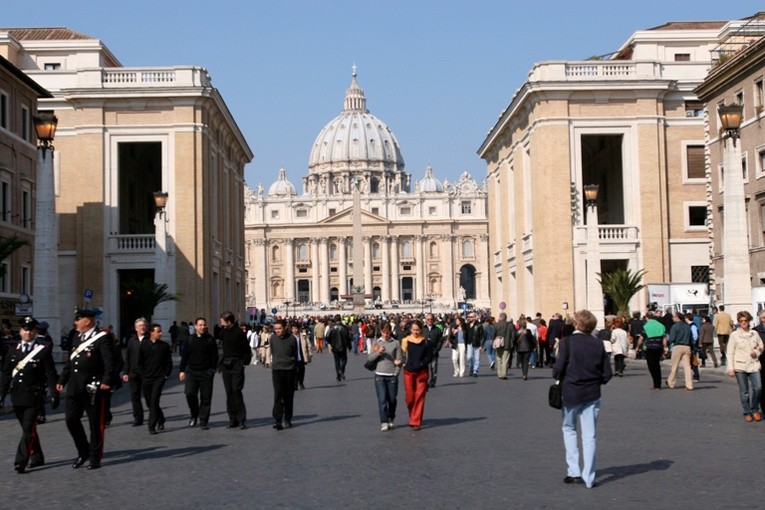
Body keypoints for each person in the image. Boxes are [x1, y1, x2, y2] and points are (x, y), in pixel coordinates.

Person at [552, 309, 612, 489]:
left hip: (571, 393)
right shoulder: (598, 344)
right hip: (592, 394)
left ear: (576, 324)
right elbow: (607, 373)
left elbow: (558, 369)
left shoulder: (566, 343)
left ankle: (573, 470)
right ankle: (589, 476)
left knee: (569, 429)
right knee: (590, 435)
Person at [56, 308, 116, 470]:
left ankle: (95, 457)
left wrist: (106, 380)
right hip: (75, 387)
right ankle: (83, 450)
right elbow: (71, 361)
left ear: (87, 321)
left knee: (95, 423)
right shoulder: (76, 337)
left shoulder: (102, 338)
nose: (75, 323)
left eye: (78, 319)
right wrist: (62, 379)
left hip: (93, 387)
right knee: (71, 420)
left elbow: (109, 361)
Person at [0, 317, 58, 473]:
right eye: (25, 330)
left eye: (31, 330)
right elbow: (6, 375)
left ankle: (21, 461)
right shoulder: (13, 350)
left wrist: (54, 393)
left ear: (35, 332)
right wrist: (1, 395)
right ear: (20, 332)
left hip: (34, 397)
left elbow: (51, 373)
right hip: (17, 396)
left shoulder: (43, 349)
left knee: (28, 429)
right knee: (29, 430)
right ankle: (37, 457)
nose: (27, 332)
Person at [179, 317, 218, 430]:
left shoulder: (210, 339)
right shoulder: (190, 339)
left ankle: (203, 421)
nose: (202, 327)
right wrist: (182, 370)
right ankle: (194, 414)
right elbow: (185, 356)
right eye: (200, 325)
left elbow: (214, 356)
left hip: (206, 372)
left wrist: (212, 370)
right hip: (191, 371)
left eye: (204, 325)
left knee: (206, 398)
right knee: (190, 393)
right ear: (195, 326)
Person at [726, 311, 763, 422]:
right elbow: (730, 352)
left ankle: (755, 409)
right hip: (740, 365)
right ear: (738, 322)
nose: (743, 323)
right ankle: (747, 412)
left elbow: (761, 345)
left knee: (758, 388)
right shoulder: (734, 335)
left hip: (753, 365)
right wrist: (730, 367)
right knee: (744, 391)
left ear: (749, 321)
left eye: (745, 320)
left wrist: (756, 353)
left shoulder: (754, 333)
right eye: (741, 321)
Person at [218, 311, 252, 429]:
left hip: (237, 364)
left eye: (222, 321)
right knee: (229, 393)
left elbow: (247, 351)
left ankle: (241, 419)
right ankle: (232, 419)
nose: (220, 323)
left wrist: (242, 363)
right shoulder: (223, 333)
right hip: (226, 366)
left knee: (236, 391)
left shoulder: (239, 333)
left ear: (228, 321)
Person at [139, 324, 173, 434]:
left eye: (161, 331)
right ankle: (161, 418)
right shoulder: (144, 345)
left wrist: (166, 375)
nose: (161, 333)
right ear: (152, 333)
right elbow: (139, 362)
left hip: (159, 378)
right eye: (158, 331)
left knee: (154, 401)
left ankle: (151, 426)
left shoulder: (164, 346)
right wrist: (142, 374)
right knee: (149, 402)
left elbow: (168, 362)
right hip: (147, 377)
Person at [369, 323, 403, 431]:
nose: (385, 335)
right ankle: (384, 422)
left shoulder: (396, 343)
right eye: (383, 332)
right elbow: (370, 358)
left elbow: (399, 360)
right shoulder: (377, 342)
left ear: (390, 332)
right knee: (382, 400)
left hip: (391, 375)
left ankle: (391, 417)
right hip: (379, 375)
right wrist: (378, 352)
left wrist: (396, 373)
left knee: (392, 399)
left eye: (387, 332)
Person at [401, 319, 432, 430]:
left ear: (421, 330)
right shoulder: (405, 341)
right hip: (408, 371)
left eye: (417, 330)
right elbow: (402, 354)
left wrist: (422, 364)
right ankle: (413, 414)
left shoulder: (427, 342)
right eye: (413, 330)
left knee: (419, 397)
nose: (415, 332)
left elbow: (429, 357)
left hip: (422, 372)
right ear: (410, 330)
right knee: (409, 397)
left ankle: (416, 421)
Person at [270, 320, 298, 429]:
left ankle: (287, 419)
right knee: (277, 395)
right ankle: (277, 420)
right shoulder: (272, 338)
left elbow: (295, 353)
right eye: (275, 329)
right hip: (277, 370)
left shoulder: (292, 339)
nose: (277, 331)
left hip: (289, 370)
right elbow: (273, 351)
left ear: (285, 327)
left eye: (279, 328)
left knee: (288, 396)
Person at [122, 317, 148, 427]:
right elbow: (127, 357)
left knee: (149, 398)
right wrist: (125, 372)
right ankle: (138, 418)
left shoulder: (149, 340)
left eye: (143, 325)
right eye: (140, 325)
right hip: (134, 373)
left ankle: (156, 417)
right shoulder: (132, 341)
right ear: (136, 328)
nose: (142, 327)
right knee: (135, 396)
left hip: (147, 373)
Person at [638, 312, 668, 390]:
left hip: (650, 347)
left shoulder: (646, 326)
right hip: (659, 347)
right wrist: (665, 347)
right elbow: (664, 337)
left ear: (647, 317)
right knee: (657, 365)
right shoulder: (661, 325)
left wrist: (637, 347)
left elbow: (641, 338)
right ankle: (658, 383)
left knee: (651, 366)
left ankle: (656, 383)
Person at [666, 311, 694, 391]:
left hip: (678, 346)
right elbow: (691, 338)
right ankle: (689, 385)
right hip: (687, 346)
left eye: (673, 317)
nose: (672, 318)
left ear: (677, 317)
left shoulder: (675, 326)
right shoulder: (687, 326)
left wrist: (667, 345)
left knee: (674, 365)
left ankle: (671, 382)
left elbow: (672, 338)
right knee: (687, 367)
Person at [326, 315, 351, 381]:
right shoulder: (344, 327)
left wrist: (331, 343)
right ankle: (341, 370)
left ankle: (338, 375)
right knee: (344, 360)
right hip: (343, 347)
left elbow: (327, 336)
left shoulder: (332, 328)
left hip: (335, 347)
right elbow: (348, 338)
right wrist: (349, 346)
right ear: (340, 319)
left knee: (337, 362)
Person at [493, 312, 516, 379]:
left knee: (499, 359)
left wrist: (494, 342)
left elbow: (493, 335)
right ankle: (504, 374)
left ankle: (499, 374)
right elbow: (513, 335)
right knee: (505, 360)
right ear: (506, 318)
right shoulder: (510, 325)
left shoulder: (496, 325)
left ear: (500, 317)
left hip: (498, 344)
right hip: (507, 345)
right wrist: (511, 343)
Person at [424, 313, 443, 388]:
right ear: (425, 320)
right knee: (426, 368)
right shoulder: (422, 329)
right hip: (424, 352)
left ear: (433, 320)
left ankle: (433, 382)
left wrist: (437, 349)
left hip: (434, 351)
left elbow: (440, 341)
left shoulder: (437, 329)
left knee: (433, 367)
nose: (429, 321)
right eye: (428, 319)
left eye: (431, 319)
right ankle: (426, 381)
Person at [293, 322, 312, 390]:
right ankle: (295, 384)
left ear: (298, 329)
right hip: (293, 357)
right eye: (293, 329)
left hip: (302, 356)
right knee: (294, 371)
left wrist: (309, 354)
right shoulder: (291, 337)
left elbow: (308, 345)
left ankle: (301, 382)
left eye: (295, 329)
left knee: (301, 370)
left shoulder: (303, 336)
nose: (294, 330)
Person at [465, 312, 484, 377]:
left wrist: (481, 345)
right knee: (469, 357)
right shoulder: (467, 325)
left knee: (477, 358)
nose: (469, 318)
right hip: (469, 343)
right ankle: (471, 368)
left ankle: (475, 371)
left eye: (470, 317)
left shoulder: (479, 325)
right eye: (468, 317)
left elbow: (482, 335)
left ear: (474, 318)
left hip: (477, 344)